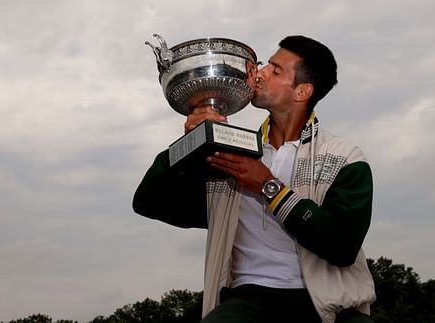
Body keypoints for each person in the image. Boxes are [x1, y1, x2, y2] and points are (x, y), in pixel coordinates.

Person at [133, 35, 376, 323]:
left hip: (331, 306)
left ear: (302, 91)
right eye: (265, 65)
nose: (258, 74)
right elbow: (149, 202)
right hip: (251, 301)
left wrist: (268, 187)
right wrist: (193, 140)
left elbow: (342, 246)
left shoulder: (344, 158)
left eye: (275, 71)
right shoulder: (231, 156)